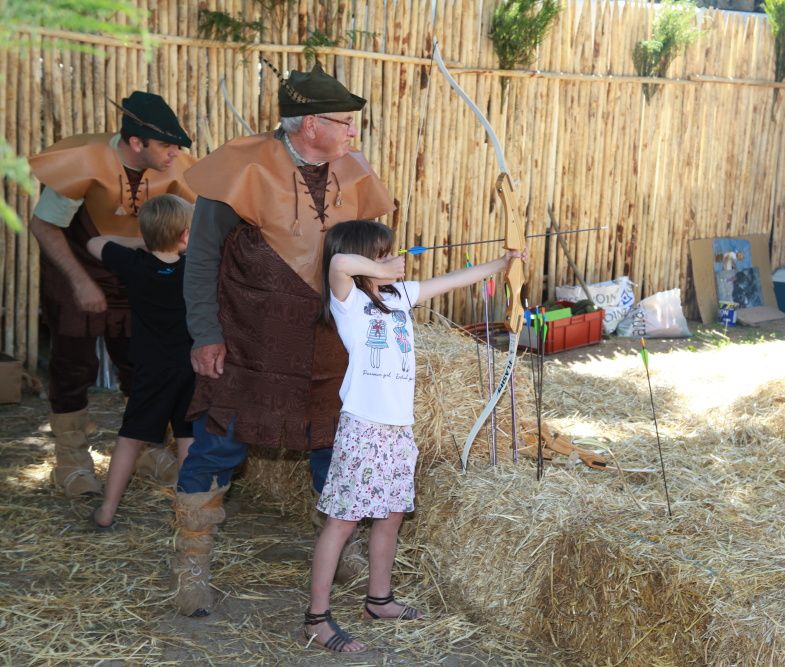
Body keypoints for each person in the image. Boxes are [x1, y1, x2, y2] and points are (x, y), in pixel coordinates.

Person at [173, 61, 395, 617]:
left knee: (332, 445)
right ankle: (192, 566)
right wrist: (205, 333)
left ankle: (334, 546)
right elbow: (200, 261)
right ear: (309, 124)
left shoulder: (355, 172)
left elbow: (372, 261)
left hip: (328, 345)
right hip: (248, 343)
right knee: (219, 443)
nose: (353, 132)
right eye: (344, 122)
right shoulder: (240, 169)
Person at [303, 219, 526, 653]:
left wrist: (503, 262)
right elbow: (341, 261)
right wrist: (384, 268)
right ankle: (316, 617)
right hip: (363, 426)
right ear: (367, 258)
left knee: (391, 516)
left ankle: (378, 600)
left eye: (389, 254)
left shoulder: (399, 296)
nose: (392, 260)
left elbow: (452, 280)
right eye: (382, 254)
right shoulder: (346, 299)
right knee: (342, 522)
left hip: (397, 430)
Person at [28, 92, 196, 499]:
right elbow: (44, 226)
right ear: (136, 143)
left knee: (142, 365)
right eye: (166, 145)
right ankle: (70, 460)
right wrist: (79, 281)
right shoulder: (84, 162)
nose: (174, 153)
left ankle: (143, 451)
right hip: (77, 271)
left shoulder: (174, 168)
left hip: (135, 275)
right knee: (72, 368)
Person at [84, 194, 196, 530]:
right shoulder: (194, 270)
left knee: (130, 436)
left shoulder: (134, 264)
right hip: (190, 367)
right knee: (188, 438)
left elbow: (95, 242)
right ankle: (190, 516)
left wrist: (141, 242)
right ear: (185, 236)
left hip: (150, 368)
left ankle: (106, 510)